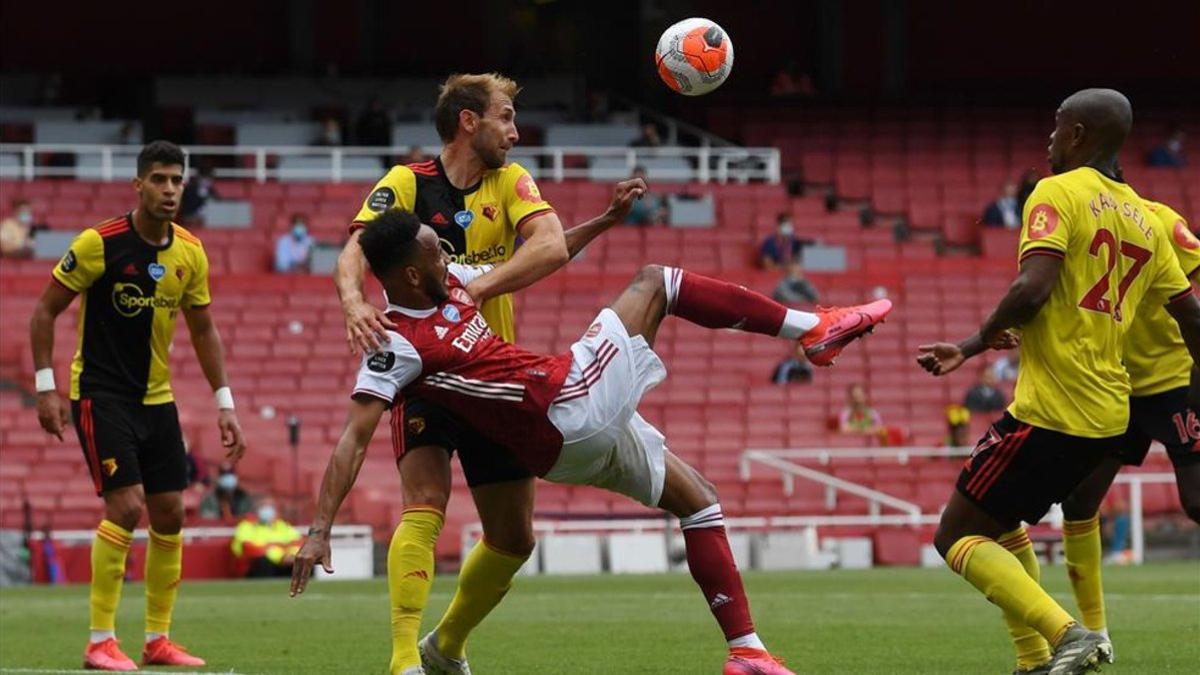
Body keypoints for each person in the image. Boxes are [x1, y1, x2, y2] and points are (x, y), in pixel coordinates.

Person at [290, 208, 892, 675]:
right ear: (411, 274)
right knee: (658, 281)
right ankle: (813, 329)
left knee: (699, 499)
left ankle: (747, 652)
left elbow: (547, 254)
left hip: (562, 445)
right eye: (435, 253)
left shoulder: (452, 289)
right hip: (568, 401)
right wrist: (318, 531)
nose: (449, 258)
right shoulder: (395, 344)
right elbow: (352, 440)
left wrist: (603, 221)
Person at [331, 72, 647, 675]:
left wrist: (478, 286)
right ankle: (402, 663)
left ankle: (444, 645)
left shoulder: (512, 182)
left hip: (492, 375)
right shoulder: (406, 183)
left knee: (514, 537)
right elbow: (353, 252)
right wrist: (353, 302)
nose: (515, 131)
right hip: (427, 374)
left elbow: (548, 247)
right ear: (469, 122)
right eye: (505, 117)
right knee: (423, 503)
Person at [917, 88, 1200, 675]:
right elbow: (1190, 314)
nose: (1048, 140)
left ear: (1077, 135)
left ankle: (1069, 634)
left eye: (1055, 128)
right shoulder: (1147, 220)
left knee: (957, 537)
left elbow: (1033, 288)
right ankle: (1031, 660)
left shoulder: (1056, 192)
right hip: (1109, 412)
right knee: (1004, 524)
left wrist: (973, 344)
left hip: (1054, 408)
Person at [29, 140, 247, 671]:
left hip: (158, 400)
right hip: (101, 396)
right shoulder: (99, 243)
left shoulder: (190, 252)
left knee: (170, 514)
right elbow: (44, 311)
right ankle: (100, 641)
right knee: (126, 508)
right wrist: (44, 387)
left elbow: (203, 329)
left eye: (177, 180)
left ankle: (157, 640)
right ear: (139, 185)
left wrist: (225, 403)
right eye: (160, 180)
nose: (170, 189)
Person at [1055, 197, 1200, 657]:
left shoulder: (1162, 221)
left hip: (1177, 379)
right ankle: (1095, 634)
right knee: (1078, 499)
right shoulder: (1076, 218)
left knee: (1197, 503)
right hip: (1115, 383)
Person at [231, 500, 302, 578]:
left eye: (270, 506)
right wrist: (280, 557)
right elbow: (248, 548)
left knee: (302, 562)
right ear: (257, 510)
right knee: (263, 562)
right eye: (263, 506)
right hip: (258, 565)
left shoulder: (282, 525)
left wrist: (291, 555)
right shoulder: (247, 526)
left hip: (286, 562)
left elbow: (297, 542)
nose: (267, 509)